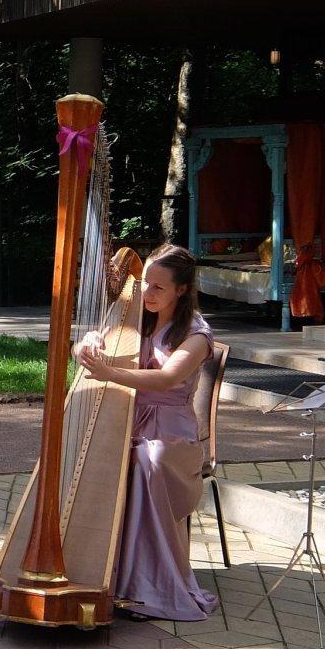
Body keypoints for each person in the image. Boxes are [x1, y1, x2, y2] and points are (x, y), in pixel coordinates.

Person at [75, 244, 219, 621]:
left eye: (158, 287)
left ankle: (146, 586)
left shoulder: (197, 335)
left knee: (145, 458)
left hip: (173, 433)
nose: (148, 293)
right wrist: (86, 346)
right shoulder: (135, 316)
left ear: (181, 290)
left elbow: (167, 378)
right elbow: (87, 349)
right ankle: (99, 568)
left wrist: (110, 373)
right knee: (98, 456)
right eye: (144, 284)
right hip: (128, 417)